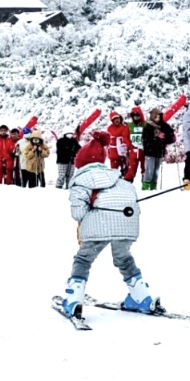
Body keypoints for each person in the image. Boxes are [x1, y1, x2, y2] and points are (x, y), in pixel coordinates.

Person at [60, 131, 157, 318]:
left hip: (100, 225)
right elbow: (133, 202)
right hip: (127, 223)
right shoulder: (118, 178)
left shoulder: (81, 180)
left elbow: (78, 213)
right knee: (124, 259)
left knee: (83, 260)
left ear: (80, 163)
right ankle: (141, 297)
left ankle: (74, 300)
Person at [142, 108, 175, 191]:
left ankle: (153, 186)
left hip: (159, 151)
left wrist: (171, 136)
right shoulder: (148, 127)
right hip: (150, 152)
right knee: (150, 170)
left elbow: (169, 134)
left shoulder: (163, 126)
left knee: (156, 171)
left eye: (159, 117)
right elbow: (146, 140)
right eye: (156, 117)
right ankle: (146, 186)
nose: (158, 119)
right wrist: (156, 138)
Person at [107, 111, 134, 180]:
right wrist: (124, 128)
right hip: (114, 154)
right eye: (114, 119)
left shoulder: (124, 126)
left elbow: (127, 135)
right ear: (112, 120)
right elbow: (115, 133)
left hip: (123, 153)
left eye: (118, 118)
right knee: (114, 172)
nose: (117, 120)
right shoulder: (110, 128)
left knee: (125, 171)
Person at [127, 107, 147, 182]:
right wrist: (129, 145)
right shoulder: (130, 126)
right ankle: (128, 180)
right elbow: (125, 136)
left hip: (144, 150)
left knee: (145, 166)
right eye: (134, 116)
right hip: (134, 150)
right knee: (131, 167)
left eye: (137, 116)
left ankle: (145, 179)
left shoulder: (146, 125)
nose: (136, 118)